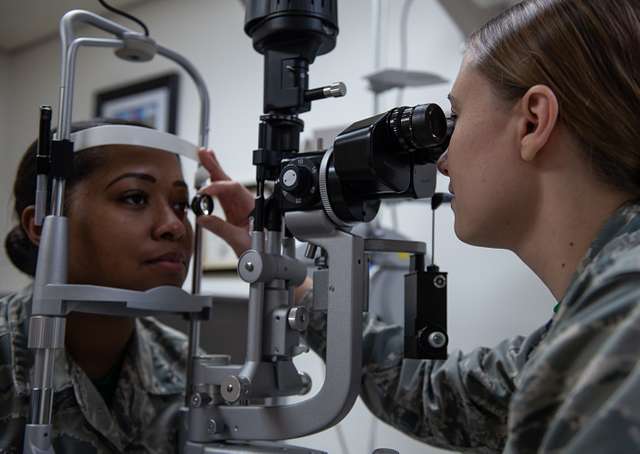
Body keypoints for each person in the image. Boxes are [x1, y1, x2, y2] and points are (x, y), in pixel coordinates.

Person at [201, 0, 640, 452]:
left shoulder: (624, 314)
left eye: (455, 118)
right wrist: (286, 276)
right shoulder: (591, 322)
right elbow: (439, 397)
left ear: (532, 122)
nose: (443, 160)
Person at [0, 119, 253, 453]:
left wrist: (271, 268)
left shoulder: (188, 370)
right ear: (43, 225)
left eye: (180, 204)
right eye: (135, 198)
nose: (174, 227)